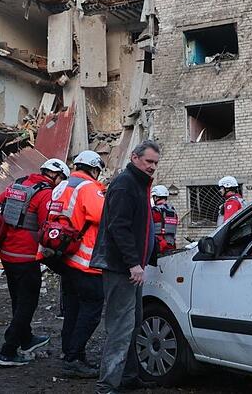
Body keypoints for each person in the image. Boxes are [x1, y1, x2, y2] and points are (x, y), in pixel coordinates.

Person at [91, 140, 162, 393]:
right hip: (121, 268)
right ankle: (107, 385)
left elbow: (140, 227)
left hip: (130, 268)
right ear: (134, 158)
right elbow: (118, 227)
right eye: (149, 161)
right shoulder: (125, 185)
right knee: (121, 328)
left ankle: (128, 377)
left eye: (155, 162)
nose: (152, 166)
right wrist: (133, 263)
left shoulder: (139, 184)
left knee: (133, 322)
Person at [0, 158, 69, 367]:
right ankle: (8, 351)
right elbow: (47, 227)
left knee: (18, 299)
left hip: (7, 254)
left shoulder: (18, 184)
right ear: (56, 175)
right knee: (28, 303)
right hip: (26, 256)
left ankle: (26, 340)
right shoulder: (45, 193)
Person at [54, 150, 107, 379]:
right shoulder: (89, 188)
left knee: (73, 310)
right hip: (85, 260)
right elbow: (103, 216)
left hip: (65, 257)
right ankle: (73, 358)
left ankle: (72, 353)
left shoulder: (62, 185)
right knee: (92, 309)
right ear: (94, 168)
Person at [150, 185, 177, 253]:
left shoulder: (155, 211)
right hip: (171, 244)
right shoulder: (173, 211)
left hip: (158, 246)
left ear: (156, 197)